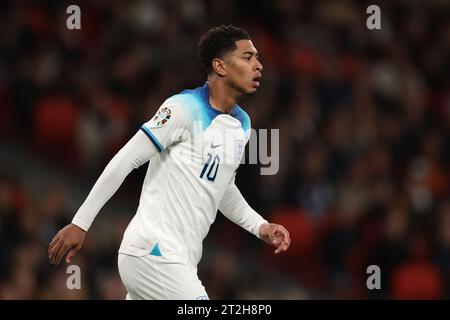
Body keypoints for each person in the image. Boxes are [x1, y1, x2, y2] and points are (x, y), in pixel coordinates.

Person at [48, 25, 291, 300]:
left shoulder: (242, 125)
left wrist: (260, 226)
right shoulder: (182, 108)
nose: (258, 65)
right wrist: (81, 222)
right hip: (154, 252)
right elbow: (126, 160)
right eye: (247, 57)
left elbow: (222, 188)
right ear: (220, 66)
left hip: (181, 260)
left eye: (257, 57)